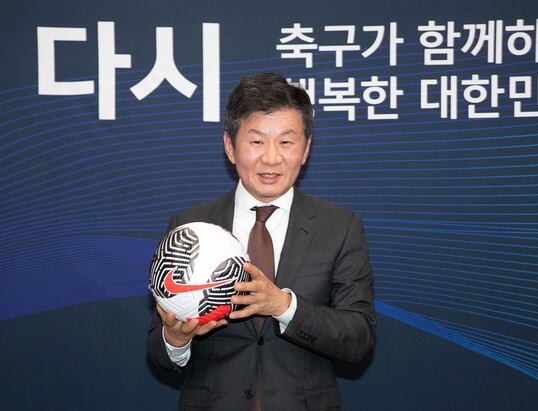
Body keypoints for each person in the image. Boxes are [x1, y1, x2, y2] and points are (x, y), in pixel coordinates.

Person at [147, 72, 376, 411]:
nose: (271, 158)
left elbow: (358, 338)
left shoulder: (340, 227)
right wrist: (176, 339)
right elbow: (158, 351)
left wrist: (282, 306)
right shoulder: (190, 228)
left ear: (306, 149)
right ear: (230, 146)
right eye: (256, 141)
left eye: (286, 142)